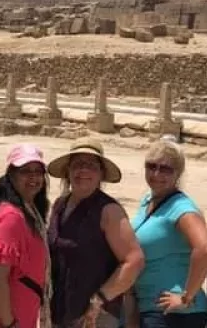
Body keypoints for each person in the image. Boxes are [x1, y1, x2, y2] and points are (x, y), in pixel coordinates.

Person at [46, 138, 145, 328]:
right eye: (77, 164)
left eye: (91, 165)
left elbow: (135, 260)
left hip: (95, 317)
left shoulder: (109, 211)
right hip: (60, 311)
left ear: (101, 174)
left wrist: (100, 298)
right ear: (68, 171)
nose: (83, 170)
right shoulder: (59, 205)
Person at [125, 139, 207, 328]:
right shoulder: (148, 200)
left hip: (175, 315)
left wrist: (185, 296)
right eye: (151, 166)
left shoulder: (181, 208)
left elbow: (206, 249)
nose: (156, 174)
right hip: (150, 308)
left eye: (166, 169)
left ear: (178, 173)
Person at [0, 144, 52, 328]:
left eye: (38, 172)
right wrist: (9, 323)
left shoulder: (29, 212)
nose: (33, 177)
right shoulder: (12, 218)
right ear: (11, 175)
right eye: (25, 171)